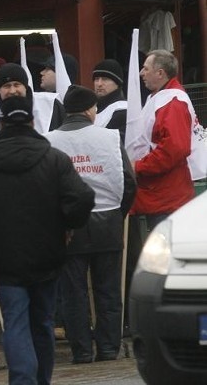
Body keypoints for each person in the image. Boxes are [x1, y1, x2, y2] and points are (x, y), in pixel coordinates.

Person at [0, 94, 94, 385]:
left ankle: (22, 380)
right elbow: (82, 199)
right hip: (47, 254)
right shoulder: (55, 160)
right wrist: (67, 227)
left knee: (15, 322)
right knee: (42, 322)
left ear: (1, 123)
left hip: (2, 259)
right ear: (31, 120)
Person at [45, 85, 136, 364]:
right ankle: (109, 348)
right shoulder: (109, 137)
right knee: (108, 290)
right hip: (107, 221)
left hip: (68, 227)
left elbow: (45, 187)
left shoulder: (48, 140)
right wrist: (117, 213)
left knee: (74, 293)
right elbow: (129, 182)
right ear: (89, 110)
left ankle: (81, 350)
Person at [129, 49, 195, 246]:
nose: (141, 73)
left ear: (160, 73)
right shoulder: (163, 98)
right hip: (163, 194)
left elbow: (173, 148)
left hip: (167, 196)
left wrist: (138, 166)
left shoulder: (172, 102)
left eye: (146, 68)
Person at [0, 63, 64, 145]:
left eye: (17, 85)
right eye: (7, 86)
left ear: (26, 87)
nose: (12, 91)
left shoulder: (51, 106)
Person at [92, 59, 127, 141]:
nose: (99, 84)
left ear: (117, 83)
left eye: (105, 79)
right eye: (96, 79)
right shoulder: (91, 109)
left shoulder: (123, 111)